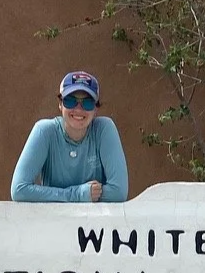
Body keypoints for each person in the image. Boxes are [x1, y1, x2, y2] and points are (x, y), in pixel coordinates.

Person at [11, 70, 129, 203]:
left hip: (94, 222)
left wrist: (51, 195)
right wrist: (78, 194)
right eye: (70, 101)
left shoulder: (104, 130)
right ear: (60, 104)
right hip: (54, 219)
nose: (78, 109)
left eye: (87, 102)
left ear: (96, 109)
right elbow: (19, 190)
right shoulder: (44, 132)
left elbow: (119, 192)